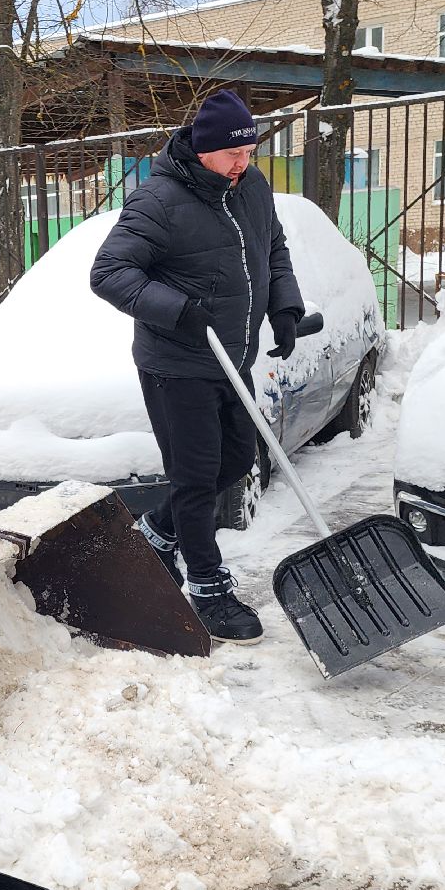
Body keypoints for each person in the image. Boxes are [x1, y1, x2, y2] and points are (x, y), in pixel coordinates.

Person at [89, 88, 303, 644]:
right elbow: (109, 272)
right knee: (195, 474)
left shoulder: (250, 188)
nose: (245, 162)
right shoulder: (158, 200)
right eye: (235, 153)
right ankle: (207, 590)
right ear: (204, 150)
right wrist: (179, 311)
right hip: (176, 362)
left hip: (233, 358)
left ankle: (159, 534)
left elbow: (272, 249)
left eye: (250, 151)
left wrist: (284, 307)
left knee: (235, 459)